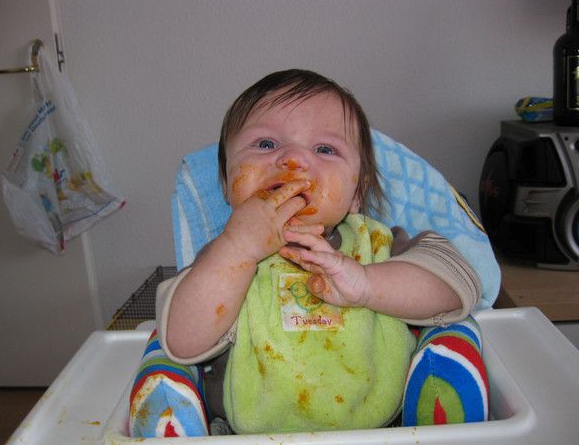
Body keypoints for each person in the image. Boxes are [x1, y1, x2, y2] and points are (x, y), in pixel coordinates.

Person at [133, 69, 484, 436]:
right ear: (225, 182)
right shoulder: (226, 258)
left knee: (459, 328)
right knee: (158, 351)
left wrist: (368, 284)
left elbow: (459, 286)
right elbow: (179, 340)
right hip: (248, 436)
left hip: (385, 431)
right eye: (266, 144)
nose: (293, 159)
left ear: (356, 194)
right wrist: (239, 248)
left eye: (325, 149)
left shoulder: (377, 245)